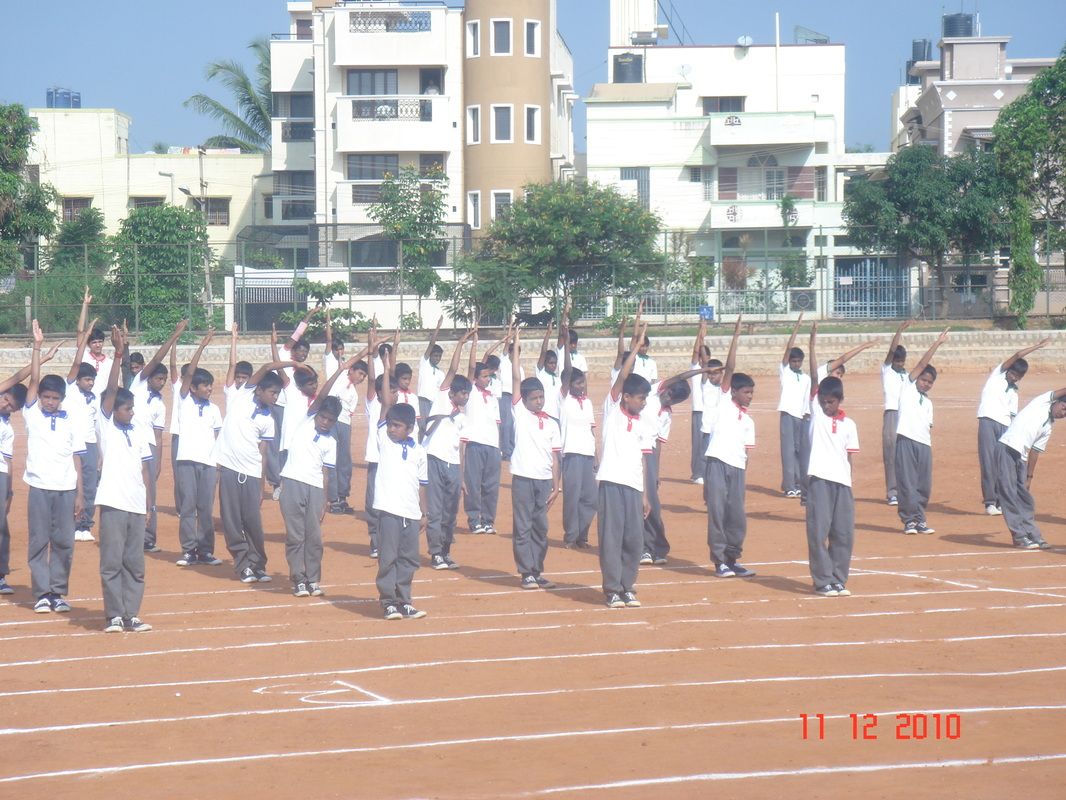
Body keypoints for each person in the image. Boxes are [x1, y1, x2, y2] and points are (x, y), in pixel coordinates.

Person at [216, 357, 298, 584]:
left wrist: (262, 483)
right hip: (230, 469)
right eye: (272, 392)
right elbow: (265, 368)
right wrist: (292, 364)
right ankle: (242, 564)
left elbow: (262, 454)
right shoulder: (242, 395)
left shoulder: (268, 420)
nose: (275, 397)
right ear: (259, 390)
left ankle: (258, 563)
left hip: (252, 473)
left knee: (252, 521)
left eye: (277, 394)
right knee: (232, 521)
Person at [95, 326, 155, 632]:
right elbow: (110, 393)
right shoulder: (106, 425)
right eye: (127, 408)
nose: (131, 412)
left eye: (132, 408)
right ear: (114, 409)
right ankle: (114, 614)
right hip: (113, 503)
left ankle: (132, 613)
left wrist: (147, 507)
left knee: (135, 563)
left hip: (135, 504)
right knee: (112, 562)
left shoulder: (138, 431)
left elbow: (145, 471)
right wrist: (119, 354)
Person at [24, 320, 86, 614]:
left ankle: (58, 591)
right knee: (39, 540)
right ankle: (41, 592)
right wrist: (37, 347)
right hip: (39, 486)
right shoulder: (32, 414)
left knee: (64, 542)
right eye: (46, 397)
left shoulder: (70, 418)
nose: (49, 401)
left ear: (62, 398)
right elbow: (34, 380)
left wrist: (80, 494)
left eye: (54, 398)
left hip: (65, 488)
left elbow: (77, 456)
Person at [280, 359, 352, 597]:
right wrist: (340, 371)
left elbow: (327, 472)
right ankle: (298, 578)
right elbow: (322, 395)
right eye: (323, 418)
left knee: (315, 537)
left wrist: (326, 501)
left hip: (314, 489)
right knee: (295, 535)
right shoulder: (308, 420)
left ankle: (313, 579)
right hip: (292, 482)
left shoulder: (332, 440)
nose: (325, 423)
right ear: (317, 414)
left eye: (331, 420)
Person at [596, 322, 652, 608]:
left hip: (633, 487)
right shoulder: (613, 408)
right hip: (611, 483)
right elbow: (622, 376)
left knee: (633, 539)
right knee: (611, 537)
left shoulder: (641, 422)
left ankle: (628, 586)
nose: (643, 403)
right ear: (626, 397)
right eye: (641, 398)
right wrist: (636, 343)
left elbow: (642, 458)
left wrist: (644, 495)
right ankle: (612, 589)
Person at [374, 349, 430, 620]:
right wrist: (387, 371)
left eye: (397, 426)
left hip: (411, 511)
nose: (391, 429)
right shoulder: (384, 441)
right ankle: (387, 601)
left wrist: (423, 513)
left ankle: (404, 599)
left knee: (409, 558)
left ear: (409, 427)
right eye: (390, 424)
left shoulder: (419, 450)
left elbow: (422, 484)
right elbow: (386, 402)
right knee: (388, 557)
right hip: (389, 510)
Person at [806, 324, 861, 597]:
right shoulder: (816, 416)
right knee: (818, 532)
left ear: (840, 400)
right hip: (819, 480)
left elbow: (850, 457)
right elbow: (816, 376)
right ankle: (822, 580)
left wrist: (849, 482)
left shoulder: (849, 424)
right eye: (824, 401)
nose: (827, 406)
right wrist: (812, 345)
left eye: (832, 402)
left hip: (842, 483)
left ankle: (839, 577)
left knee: (843, 534)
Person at [509, 326, 563, 590]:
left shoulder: (552, 423)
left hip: (543, 480)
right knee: (523, 526)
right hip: (523, 477)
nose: (539, 402)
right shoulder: (520, 413)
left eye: (542, 397)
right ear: (524, 400)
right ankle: (525, 572)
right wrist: (517, 343)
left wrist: (556, 485)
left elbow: (555, 456)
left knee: (540, 528)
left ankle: (537, 569)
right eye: (534, 398)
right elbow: (516, 376)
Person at [0, 349, 57, 596]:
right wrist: (40, 359)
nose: (5, 405)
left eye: (11, 407)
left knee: (1, 527)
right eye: (5, 399)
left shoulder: (8, 427)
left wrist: (9, 491)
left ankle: (1, 576)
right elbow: (16, 377)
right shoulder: (3, 393)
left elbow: (9, 462)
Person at [705, 318, 757, 579]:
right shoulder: (724, 402)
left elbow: (748, 453)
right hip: (717, 463)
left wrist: (741, 473)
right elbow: (731, 367)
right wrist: (736, 337)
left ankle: (733, 557)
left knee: (736, 515)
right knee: (717, 511)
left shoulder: (748, 420)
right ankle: (719, 561)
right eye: (746, 392)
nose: (750, 396)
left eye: (751, 392)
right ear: (733, 391)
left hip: (737, 469)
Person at [131, 320, 186, 553]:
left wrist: (159, 462)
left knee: (149, 495)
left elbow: (158, 434)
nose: (161, 383)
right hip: (129, 446)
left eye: (164, 380)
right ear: (149, 377)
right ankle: (129, 535)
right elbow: (156, 359)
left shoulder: (160, 404)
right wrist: (174, 335)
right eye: (158, 379)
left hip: (149, 450)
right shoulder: (139, 383)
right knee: (130, 490)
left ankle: (148, 538)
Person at [977, 339, 1049, 515]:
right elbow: (1017, 355)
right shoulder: (998, 375)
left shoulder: (1014, 391)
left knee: (1003, 464)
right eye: (1013, 373)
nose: (1014, 377)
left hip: (1006, 427)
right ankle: (989, 502)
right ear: (1008, 369)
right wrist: (1037, 346)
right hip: (988, 421)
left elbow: (1013, 415)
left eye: (1018, 376)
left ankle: (1002, 500)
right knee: (988, 462)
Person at [423, 329, 475, 570]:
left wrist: (462, 476)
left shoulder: (463, 417)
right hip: (434, 459)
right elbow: (453, 370)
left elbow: (461, 449)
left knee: (451, 510)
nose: (466, 396)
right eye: (463, 393)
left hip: (453, 465)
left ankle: (445, 550)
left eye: (468, 393)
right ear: (452, 392)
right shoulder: (443, 397)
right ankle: (435, 553)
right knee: (435, 509)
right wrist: (461, 343)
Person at [640, 365, 702, 566]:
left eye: (674, 401)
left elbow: (658, 444)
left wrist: (655, 472)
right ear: (666, 389)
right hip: (631, 451)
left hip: (648, 455)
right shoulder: (652, 392)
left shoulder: (666, 414)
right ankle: (643, 549)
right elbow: (680, 376)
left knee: (652, 505)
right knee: (636, 504)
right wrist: (701, 372)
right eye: (670, 396)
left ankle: (657, 547)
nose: (669, 401)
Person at [174, 329, 224, 568]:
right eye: (204, 385)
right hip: (186, 460)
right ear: (192, 387)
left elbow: (218, 437)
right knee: (188, 507)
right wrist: (202, 346)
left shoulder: (214, 409)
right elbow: (190, 373)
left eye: (210, 385)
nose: (209, 389)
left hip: (208, 463)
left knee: (206, 508)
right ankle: (188, 550)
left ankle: (205, 550)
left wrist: (219, 462)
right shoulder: (183, 400)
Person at [995, 388, 1066, 550]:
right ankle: (1019, 536)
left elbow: (1035, 452)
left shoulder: (1048, 427)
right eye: (1064, 407)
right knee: (1008, 494)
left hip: (1021, 457)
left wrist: (1029, 477)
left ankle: (1032, 533)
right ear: (1057, 402)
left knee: (1025, 499)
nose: (1063, 413)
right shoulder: (1041, 402)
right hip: (1006, 447)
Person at [894, 328, 950, 535]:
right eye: (923, 380)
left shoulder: (928, 403)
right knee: (907, 481)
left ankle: (920, 518)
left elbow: (929, 426)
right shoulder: (907, 389)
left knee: (923, 484)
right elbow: (920, 365)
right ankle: (909, 520)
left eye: (929, 382)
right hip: (906, 440)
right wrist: (937, 343)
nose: (925, 384)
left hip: (923, 445)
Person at [559, 313, 596, 550]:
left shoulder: (588, 402)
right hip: (571, 454)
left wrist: (597, 457)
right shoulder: (564, 399)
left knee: (590, 498)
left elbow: (592, 430)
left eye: (582, 383)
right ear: (568, 384)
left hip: (587, 454)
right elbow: (568, 370)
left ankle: (583, 533)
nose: (581, 386)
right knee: (572, 498)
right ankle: (571, 535)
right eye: (577, 383)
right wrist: (564, 337)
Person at [462, 331, 502, 535]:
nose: (488, 379)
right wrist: (475, 343)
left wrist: (499, 446)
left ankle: (488, 520)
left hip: (492, 445)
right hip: (475, 442)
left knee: (491, 485)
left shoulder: (493, 396)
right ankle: (473, 518)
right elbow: (471, 368)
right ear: (475, 378)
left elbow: (497, 423)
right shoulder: (471, 392)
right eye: (484, 376)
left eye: (489, 376)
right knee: (473, 483)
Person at [66, 320, 101, 542]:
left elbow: (97, 426)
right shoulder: (69, 390)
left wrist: (99, 454)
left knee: (90, 486)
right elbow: (77, 362)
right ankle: (71, 523)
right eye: (87, 379)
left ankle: (85, 524)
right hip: (70, 444)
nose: (90, 383)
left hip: (89, 445)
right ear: (77, 379)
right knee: (71, 483)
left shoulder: (94, 398)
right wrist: (86, 333)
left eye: (92, 380)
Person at [777, 313, 809, 499]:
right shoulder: (786, 372)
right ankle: (789, 485)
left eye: (798, 361)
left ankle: (798, 482)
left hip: (801, 415)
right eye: (793, 361)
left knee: (799, 450)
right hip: (788, 414)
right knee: (788, 451)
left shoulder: (805, 378)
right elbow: (788, 349)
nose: (796, 364)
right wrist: (797, 327)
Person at [881, 321, 910, 506]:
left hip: (906, 415)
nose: (900, 364)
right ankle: (892, 491)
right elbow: (891, 351)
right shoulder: (887, 370)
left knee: (905, 453)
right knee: (891, 452)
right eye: (897, 361)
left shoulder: (906, 375)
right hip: (892, 413)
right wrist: (899, 331)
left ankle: (905, 489)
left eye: (902, 361)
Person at [689, 319, 711, 484]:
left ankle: (706, 471)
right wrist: (700, 334)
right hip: (699, 410)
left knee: (709, 442)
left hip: (711, 411)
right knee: (698, 443)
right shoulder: (696, 369)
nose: (704, 360)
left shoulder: (713, 372)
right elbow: (696, 352)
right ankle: (697, 473)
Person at [417, 316, 446, 437]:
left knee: (432, 428)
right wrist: (438, 327)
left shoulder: (440, 373)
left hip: (434, 402)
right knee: (422, 427)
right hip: (423, 400)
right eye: (435, 356)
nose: (437, 358)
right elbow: (431, 343)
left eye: (439, 356)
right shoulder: (425, 363)